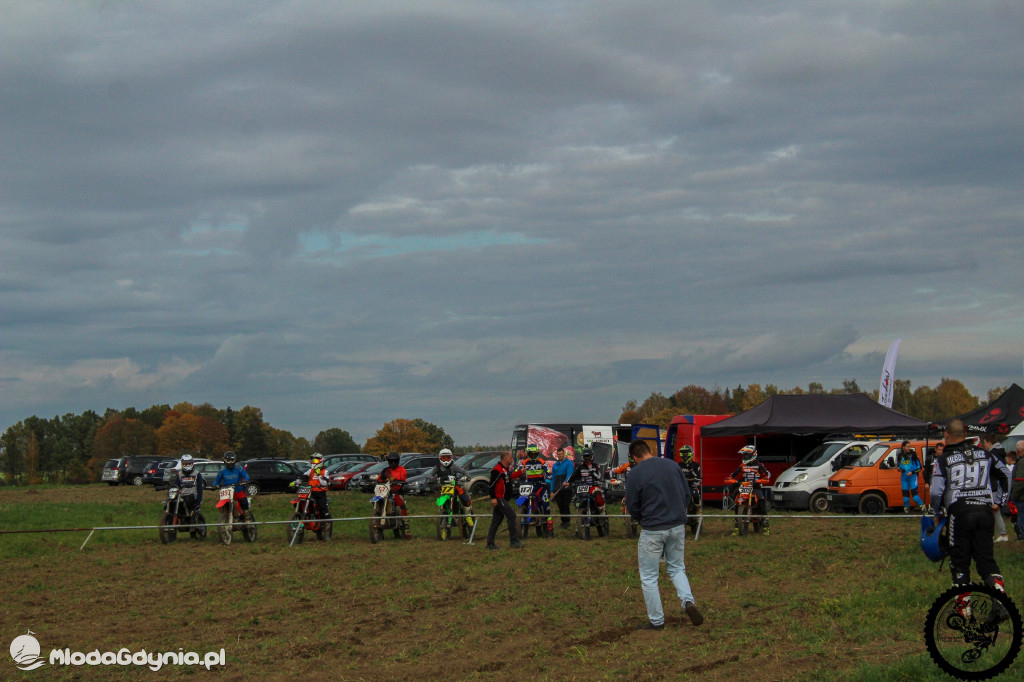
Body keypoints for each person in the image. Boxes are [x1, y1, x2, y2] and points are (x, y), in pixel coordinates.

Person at [930, 419, 1011, 609]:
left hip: (959, 513)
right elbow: (1006, 474)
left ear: (947, 436)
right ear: (965, 435)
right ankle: (1000, 602)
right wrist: (999, 501)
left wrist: (938, 511)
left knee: (959, 561)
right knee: (986, 561)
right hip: (984, 512)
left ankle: (963, 610)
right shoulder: (985, 454)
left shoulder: (943, 459)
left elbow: (935, 491)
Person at [625, 439, 703, 630]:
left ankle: (657, 621)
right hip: (677, 526)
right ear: (650, 450)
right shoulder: (672, 465)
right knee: (677, 568)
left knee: (649, 576)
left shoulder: (635, 473)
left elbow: (632, 505)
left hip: (653, 529)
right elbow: (686, 494)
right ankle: (687, 601)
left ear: (634, 458)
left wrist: (642, 520)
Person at [726, 446, 771, 536]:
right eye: (744, 456)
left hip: (756, 486)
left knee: (761, 502)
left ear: (753, 454)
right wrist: (730, 479)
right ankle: (737, 528)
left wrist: (763, 479)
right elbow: (733, 474)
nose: (745, 457)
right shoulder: (742, 465)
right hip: (745, 485)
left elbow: (767, 474)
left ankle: (766, 527)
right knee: (738, 503)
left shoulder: (758, 464)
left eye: (746, 455)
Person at [485, 451, 523, 550]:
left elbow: (511, 477)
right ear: (505, 458)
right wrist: (493, 497)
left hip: (503, 499)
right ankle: (513, 540)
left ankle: (490, 544)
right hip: (499, 498)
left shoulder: (505, 470)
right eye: (511, 457)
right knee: (511, 515)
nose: (512, 460)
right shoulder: (497, 470)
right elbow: (491, 485)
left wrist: (521, 472)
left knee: (496, 521)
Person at [429, 448, 474, 522]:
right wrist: (433, 479)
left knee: (464, 497)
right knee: (439, 497)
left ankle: (468, 515)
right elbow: (430, 475)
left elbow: (464, 471)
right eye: (444, 457)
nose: (446, 459)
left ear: (451, 457)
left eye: (448, 457)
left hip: (454, 486)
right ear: (440, 458)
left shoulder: (454, 466)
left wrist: (467, 476)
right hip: (443, 487)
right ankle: (442, 512)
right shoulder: (437, 467)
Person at [564, 446, 607, 522]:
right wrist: (567, 482)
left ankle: (602, 512)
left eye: (589, 457)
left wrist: (592, 472)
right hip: (583, 486)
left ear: (592, 457)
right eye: (585, 457)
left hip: (593, 486)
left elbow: (599, 477)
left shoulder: (596, 466)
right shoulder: (580, 467)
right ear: (583, 457)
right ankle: (579, 521)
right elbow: (573, 476)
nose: (587, 458)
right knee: (577, 499)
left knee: (598, 494)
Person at [519, 444, 553, 537]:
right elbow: (517, 471)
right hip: (528, 486)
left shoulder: (542, 462)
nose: (533, 455)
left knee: (546, 506)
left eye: (535, 454)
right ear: (528, 454)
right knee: (520, 502)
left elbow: (549, 473)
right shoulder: (524, 462)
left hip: (540, 487)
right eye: (531, 454)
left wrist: (549, 477)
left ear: (537, 453)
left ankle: (550, 530)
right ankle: (521, 520)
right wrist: (520, 473)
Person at [981, 433, 1010, 542]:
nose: (984, 446)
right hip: (998, 485)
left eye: (984, 444)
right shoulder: (1001, 452)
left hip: (993, 485)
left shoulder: (992, 455)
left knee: (994, 511)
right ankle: (996, 534)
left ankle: (1002, 534)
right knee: (993, 511)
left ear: (989, 443)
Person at [377, 451, 411, 539]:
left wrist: (395, 480)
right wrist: (380, 481)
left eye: (395, 461)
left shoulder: (401, 470)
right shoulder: (386, 470)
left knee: (401, 506)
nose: (393, 463)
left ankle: (406, 528)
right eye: (391, 461)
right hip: (386, 492)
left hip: (397, 492)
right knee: (378, 506)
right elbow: (380, 479)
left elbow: (403, 479)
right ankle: (378, 529)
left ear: (398, 461)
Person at [213, 451, 251, 515]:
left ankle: (247, 517)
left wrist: (245, 481)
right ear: (225, 460)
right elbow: (216, 481)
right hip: (227, 493)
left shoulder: (238, 468)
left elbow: (246, 475)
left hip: (238, 490)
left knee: (244, 501)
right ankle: (224, 516)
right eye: (228, 460)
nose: (230, 462)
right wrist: (215, 485)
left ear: (235, 460)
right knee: (223, 503)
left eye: (232, 460)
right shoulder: (222, 471)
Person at [677, 445, 703, 535]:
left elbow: (697, 476)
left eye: (686, 454)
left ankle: (698, 512)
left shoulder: (695, 465)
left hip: (692, 486)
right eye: (683, 454)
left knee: (695, 495)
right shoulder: (679, 465)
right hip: (681, 487)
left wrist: (691, 471)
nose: (684, 456)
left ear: (690, 454)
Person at [549, 446, 575, 530]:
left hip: (566, 489)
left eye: (561, 454)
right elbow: (553, 478)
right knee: (560, 506)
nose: (559, 456)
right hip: (557, 489)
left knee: (565, 505)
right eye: (558, 454)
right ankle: (563, 521)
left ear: (564, 453)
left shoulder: (569, 463)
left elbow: (570, 473)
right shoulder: (555, 465)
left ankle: (567, 522)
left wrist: (566, 481)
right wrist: (552, 491)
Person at [896, 441, 924, 514]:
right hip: (904, 478)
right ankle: (907, 510)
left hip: (913, 478)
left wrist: (912, 472)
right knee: (905, 498)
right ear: (903, 447)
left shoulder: (913, 455)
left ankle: (923, 508)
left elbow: (920, 467)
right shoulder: (900, 455)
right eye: (907, 446)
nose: (909, 448)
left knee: (915, 497)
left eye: (910, 446)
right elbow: (899, 466)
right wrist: (899, 469)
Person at [307, 452, 331, 521]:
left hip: (320, 492)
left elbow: (324, 483)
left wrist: (318, 475)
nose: (313, 462)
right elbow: (304, 475)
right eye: (312, 460)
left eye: (315, 460)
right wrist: (296, 481)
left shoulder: (325, 471)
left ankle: (326, 520)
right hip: (311, 491)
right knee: (305, 501)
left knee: (322, 506)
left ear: (320, 461)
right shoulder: (310, 470)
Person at [1008, 445, 1024, 542]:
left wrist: (1013, 496)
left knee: (1021, 520)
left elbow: (1020, 481)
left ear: (1018, 451)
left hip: (1021, 498)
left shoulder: (1021, 462)